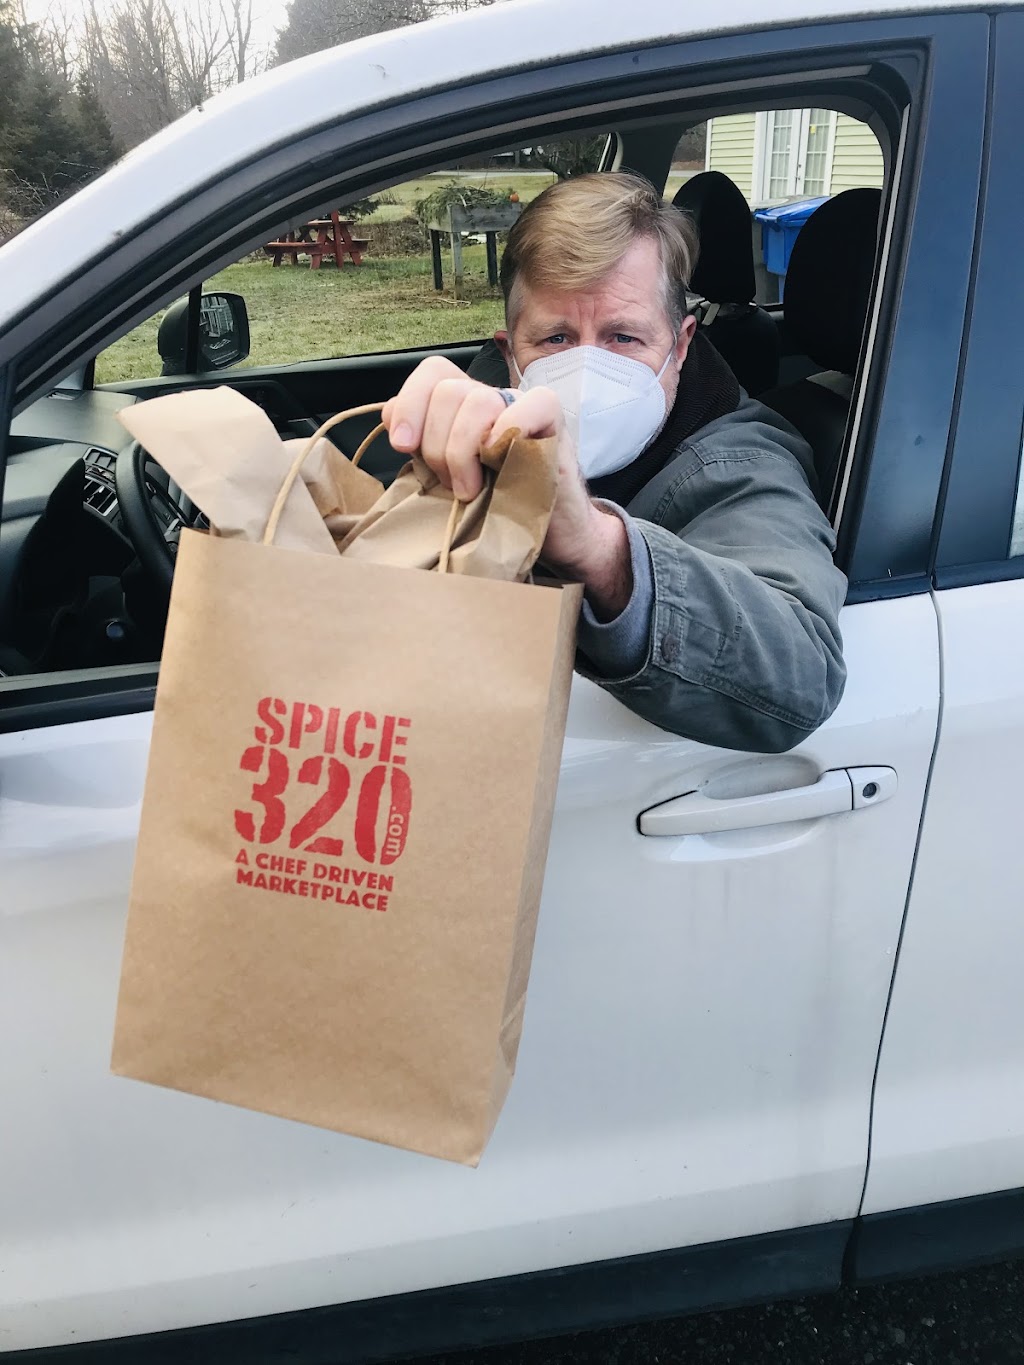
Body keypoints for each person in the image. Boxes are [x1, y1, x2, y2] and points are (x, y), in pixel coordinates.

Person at [382, 172, 847, 752]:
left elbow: (802, 673)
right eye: (555, 339)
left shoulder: (739, 464)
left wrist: (600, 550)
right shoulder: (487, 411)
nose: (586, 371)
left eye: (624, 338)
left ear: (681, 345)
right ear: (509, 352)